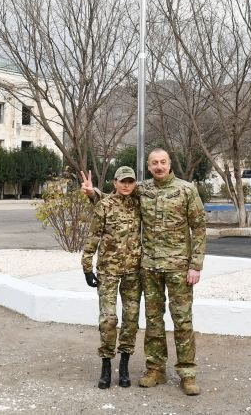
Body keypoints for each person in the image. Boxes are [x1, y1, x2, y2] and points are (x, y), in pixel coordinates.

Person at [82, 149, 207, 397]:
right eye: (154, 163)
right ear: (148, 167)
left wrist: (196, 264)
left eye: (163, 162)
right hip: (149, 267)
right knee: (153, 321)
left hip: (178, 266)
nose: (159, 166)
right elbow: (116, 199)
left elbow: (199, 227)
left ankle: (187, 373)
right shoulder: (143, 189)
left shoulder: (186, 190)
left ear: (170, 164)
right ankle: (155, 369)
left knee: (182, 320)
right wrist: (92, 193)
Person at [80, 166, 142, 389]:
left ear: (135, 184)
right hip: (108, 270)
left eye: (130, 181)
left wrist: (93, 192)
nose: (126, 185)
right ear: (115, 182)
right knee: (108, 319)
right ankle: (106, 364)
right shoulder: (105, 205)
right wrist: (87, 267)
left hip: (133, 271)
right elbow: (93, 236)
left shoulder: (140, 204)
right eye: (122, 181)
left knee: (131, 318)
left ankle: (124, 365)